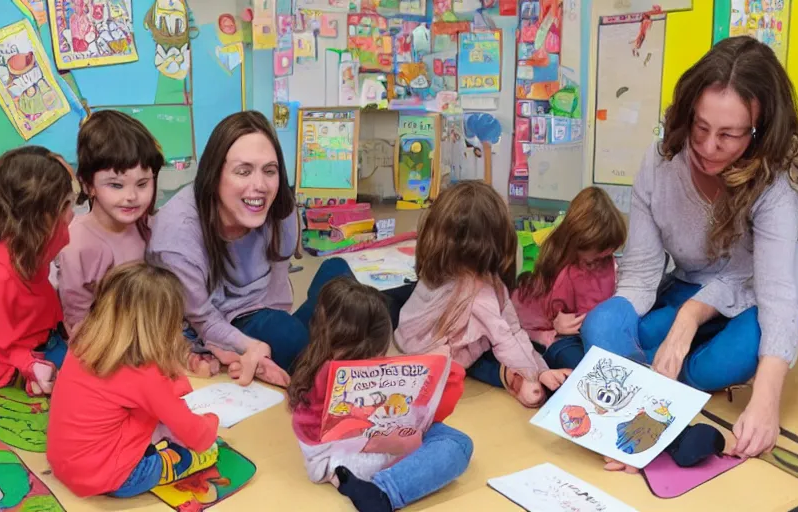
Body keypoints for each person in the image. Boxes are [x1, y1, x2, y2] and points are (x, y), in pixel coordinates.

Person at [581, 36, 798, 462]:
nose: (709, 148)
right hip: (682, 291)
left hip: (748, 302)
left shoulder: (777, 183)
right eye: (701, 128)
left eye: (729, 135)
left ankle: (653, 382)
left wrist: (766, 403)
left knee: (738, 356)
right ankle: (653, 384)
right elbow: (639, 277)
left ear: (759, 130)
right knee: (601, 326)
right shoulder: (660, 162)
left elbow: (775, 293)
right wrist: (638, 321)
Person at [147, 111, 355, 387]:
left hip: (262, 311)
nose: (260, 186)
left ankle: (318, 356)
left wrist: (275, 335)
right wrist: (253, 348)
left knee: (340, 277)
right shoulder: (177, 233)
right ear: (215, 174)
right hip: (213, 326)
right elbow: (203, 321)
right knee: (294, 336)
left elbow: (279, 290)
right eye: (243, 171)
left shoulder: (282, 210)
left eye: (269, 171)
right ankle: (322, 364)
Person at [289, 277, 472, 512]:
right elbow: (436, 414)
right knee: (457, 443)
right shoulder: (350, 373)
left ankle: (349, 481)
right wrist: (450, 370)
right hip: (354, 456)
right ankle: (383, 492)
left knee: (428, 434)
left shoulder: (315, 364)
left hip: (326, 459)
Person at [47, 262, 219, 498]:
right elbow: (197, 435)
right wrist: (212, 421)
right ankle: (168, 463)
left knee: (152, 416)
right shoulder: (146, 375)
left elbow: (151, 391)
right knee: (202, 450)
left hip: (64, 464)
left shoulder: (83, 344)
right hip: (117, 478)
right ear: (164, 325)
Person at [395, 181, 571, 408]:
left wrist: (540, 370)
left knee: (508, 342)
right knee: (504, 346)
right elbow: (507, 337)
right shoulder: (479, 293)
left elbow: (513, 329)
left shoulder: (442, 269)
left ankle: (519, 373)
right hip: (430, 362)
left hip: (412, 341)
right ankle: (516, 375)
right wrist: (535, 375)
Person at [0, 147, 75, 395]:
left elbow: (42, 296)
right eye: (66, 205)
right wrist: (30, 365)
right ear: (38, 220)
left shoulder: (40, 245)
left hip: (41, 337)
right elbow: (1, 344)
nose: (72, 214)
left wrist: (62, 325)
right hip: (1, 354)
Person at [58, 109, 165, 333]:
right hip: (104, 345)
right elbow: (78, 322)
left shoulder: (150, 227)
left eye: (142, 184)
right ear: (88, 186)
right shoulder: (75, 244)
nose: (131, 196)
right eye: (116, 185)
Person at [513, 186, 627, 370]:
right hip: (558, 337)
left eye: (606, 255)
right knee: (581, 367)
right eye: (594, 258)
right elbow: (528, 318)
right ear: (577, 244)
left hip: (592, 333)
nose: (601, 262)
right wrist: (553, 327)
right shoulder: (559, 269)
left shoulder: (606, 259)